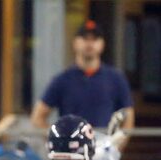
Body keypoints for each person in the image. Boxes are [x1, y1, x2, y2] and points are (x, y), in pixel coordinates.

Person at [31, 21, 134, 151]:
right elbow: (38, 117)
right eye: (85, 39)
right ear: (75, 43)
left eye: (94, 39)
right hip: (71, 153)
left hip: (103, 149)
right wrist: (58, 142)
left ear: (102, 44)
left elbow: (128, 116)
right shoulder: (62, 80)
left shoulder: (115, 78)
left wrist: (116, 146)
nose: (89, 44)